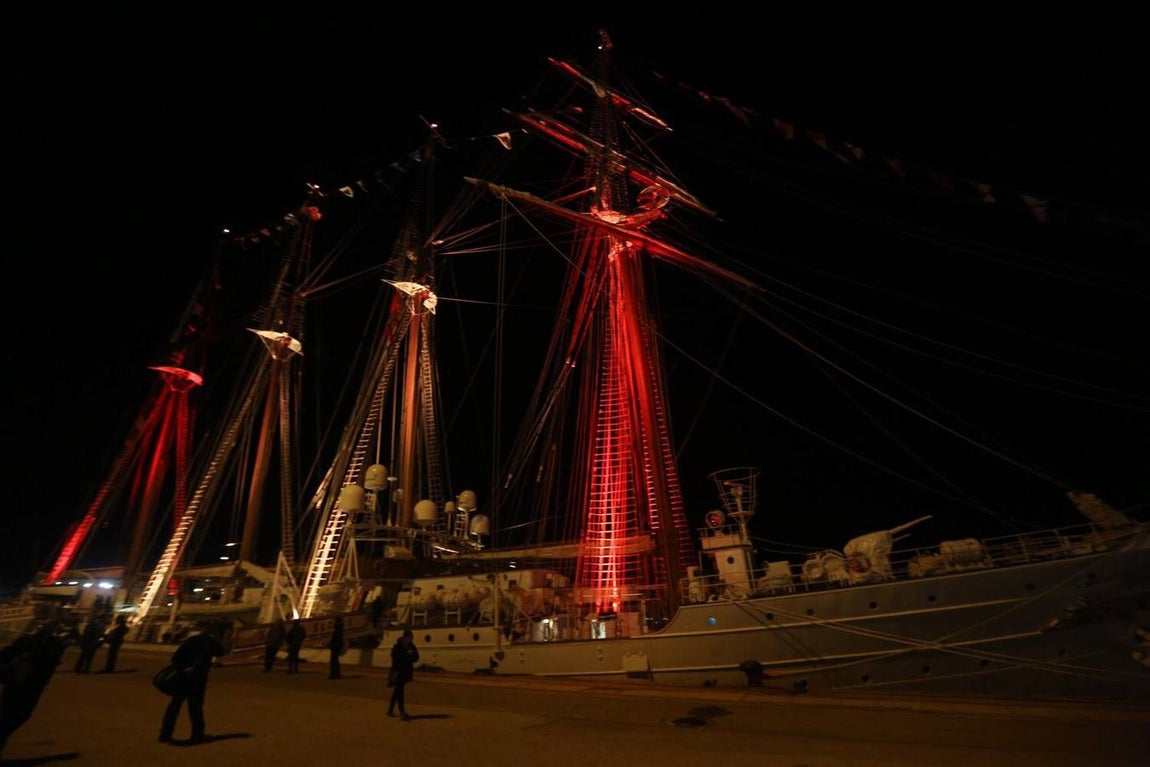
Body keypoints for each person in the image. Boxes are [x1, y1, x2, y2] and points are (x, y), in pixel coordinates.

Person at [0, 624, 68, 759]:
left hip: (14, 685)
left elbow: (4, 655)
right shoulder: (51, 647)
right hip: (29, 689)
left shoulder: (26, 641)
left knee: (7, 717)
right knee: (12, 719)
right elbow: (49, 664)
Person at [159, 623, 227, 744]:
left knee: (174, 707)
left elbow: (176, 658)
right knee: (195, 708)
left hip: (182, 678)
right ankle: (197, 734)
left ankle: (165, 734)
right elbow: (221, 652)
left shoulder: (191, 640)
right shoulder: (211, 643)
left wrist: (183, 668)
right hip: (198, 679)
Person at [386, 628, 419, 720]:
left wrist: (409, 655)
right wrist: (408, 655)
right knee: (400, 692)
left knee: (397, 691)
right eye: (409, 638)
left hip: (402, 671)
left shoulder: (408, 646)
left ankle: (390, 710)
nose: (410, 640)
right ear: (406, 637)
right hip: (399, 671)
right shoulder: (399, 646)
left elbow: (416, 657)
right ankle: (401, 712)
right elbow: (397, 657)